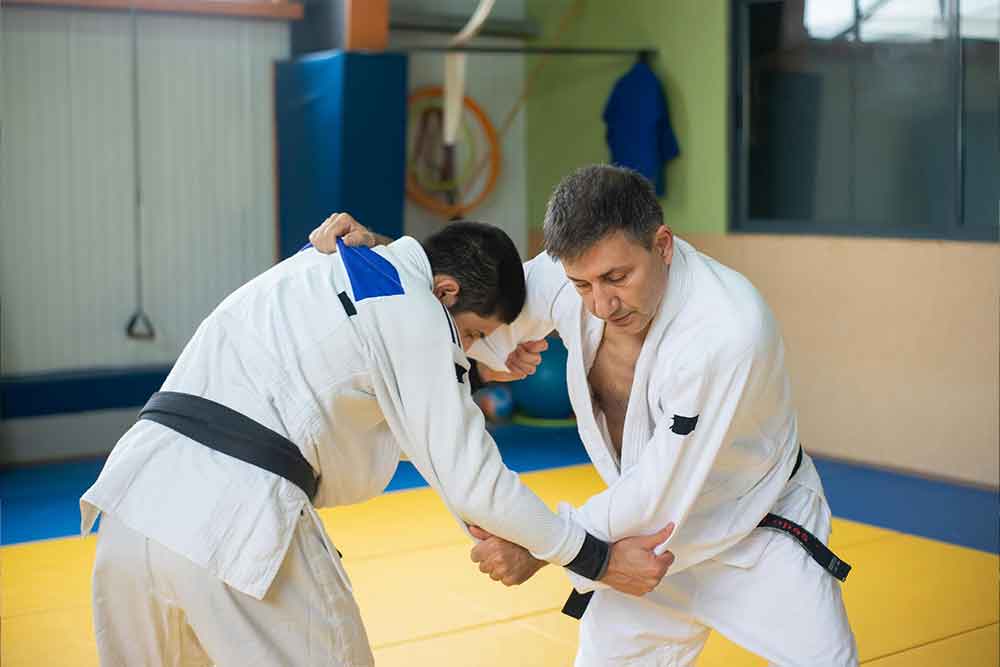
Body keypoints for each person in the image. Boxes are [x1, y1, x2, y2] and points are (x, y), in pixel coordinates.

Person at [310, 166, 859, 666]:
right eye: (581, 285)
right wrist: (385, 260)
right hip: (638, 550)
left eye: (617, 278)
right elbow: (465, 303)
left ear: (662, 245)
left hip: (754, 533)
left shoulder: (725, 331)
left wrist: (539, 546)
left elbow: (658, 490)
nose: (600, 304)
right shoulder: (568, 276)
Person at [80, 218, 675, 667]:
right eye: (471, 333)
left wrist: (475, 360)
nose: (468, 347)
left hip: (133, 507)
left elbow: (418, 426)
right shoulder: (413, 309)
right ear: (444, 292)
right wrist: (593, 556)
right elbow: (476, 481)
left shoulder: (323, 265)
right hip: (233, 523)